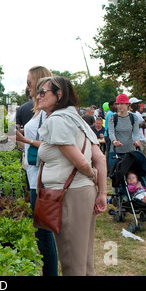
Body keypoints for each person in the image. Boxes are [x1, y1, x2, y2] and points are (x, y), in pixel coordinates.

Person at [35, 76, 107, 276]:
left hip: (69, 196)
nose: (37, 96)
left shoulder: (58, 120)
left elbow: (82, 162)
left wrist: (92, 176)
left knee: (72, 263)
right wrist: (101, 192)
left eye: (43, 92)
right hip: (82, 193)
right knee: (83, 260)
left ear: (59, 95)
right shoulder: (76, 118)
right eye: (37, 91)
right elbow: (100, 158)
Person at [15, 65, 57, 276]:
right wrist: (24, 143)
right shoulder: (37, 112)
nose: (27, 86)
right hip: (34, 175)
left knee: (44, 235)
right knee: (42, 234)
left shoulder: (48, 114)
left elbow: (54, 146)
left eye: (30, 82)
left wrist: (26, 140)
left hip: (41, 179)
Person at [107, 94, 140, 169]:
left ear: (127, 104)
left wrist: (136, 141)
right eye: (118, 104)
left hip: (130, 151)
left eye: (121, 103)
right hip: (116, 151)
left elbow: (136, 133)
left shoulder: (133, 118)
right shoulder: (112, 118)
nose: (119, 106)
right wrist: (114, 141)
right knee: (117, 175)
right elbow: (111, 132)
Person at [129, 97, 146, 167]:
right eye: (136, 104)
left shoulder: (138, 114)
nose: (139, 105)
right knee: (138, 158)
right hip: (134, 140)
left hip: (142, 139)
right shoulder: (128, 114)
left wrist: (138, 125)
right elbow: (130, 126)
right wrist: (139, 125)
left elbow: (144, 125)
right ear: (132, 105)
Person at [104, 100, 117, 173]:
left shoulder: (110, 113)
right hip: (108, 135)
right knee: (109, 153)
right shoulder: (110, 115)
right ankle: (109, 170)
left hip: (108, 134)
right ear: (110, 106)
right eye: (115, 105)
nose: (116, 106)